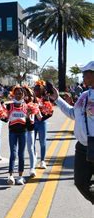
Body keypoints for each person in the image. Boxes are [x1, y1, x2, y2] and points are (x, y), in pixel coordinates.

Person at [51, 61, 94, 204]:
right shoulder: (84, 95)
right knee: (80, 183)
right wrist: (57, 99)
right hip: (82, 147)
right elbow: (72, 113)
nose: (83, 76)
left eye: (85, 73)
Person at [1, 86, 33, 185]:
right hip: (12, 132)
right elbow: (6, 119)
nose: (18, 95)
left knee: (21, 154)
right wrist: (0, 112)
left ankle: (20, 176)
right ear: (13, 94)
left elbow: (30, 126)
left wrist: (28, 116)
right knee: (13, 154)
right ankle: (10, 176)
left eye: (20, 93)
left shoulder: (27, 106)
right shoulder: (9, 106)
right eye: (17, 93)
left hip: (23, 132)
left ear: (23, 95)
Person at [33, 80, 53, 169]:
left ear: (41, 90)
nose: (36, 91)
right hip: (33, 123)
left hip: (42, 123)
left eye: (38, 90)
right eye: (35, 89)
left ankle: (42, 161)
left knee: (42, 142)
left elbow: (50, 112)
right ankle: (34, 157)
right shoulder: (31, 99)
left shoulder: (45, 98)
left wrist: (42, 118)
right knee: (31, 142)